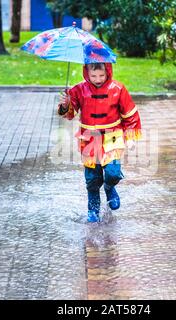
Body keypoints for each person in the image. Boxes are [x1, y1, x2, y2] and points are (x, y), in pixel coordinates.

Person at [58, 62, 142, 223]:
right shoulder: (78, 90)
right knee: (92, 178)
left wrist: (130, 136)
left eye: (101, 76)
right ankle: (93, 210)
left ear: (108, 72)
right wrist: (65, 105)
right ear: (86, 73)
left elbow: (129, 113)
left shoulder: (117, 89)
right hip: (89, 137)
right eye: (93, 76)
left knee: (113, 172)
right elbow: (70, 114)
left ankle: (110, 187)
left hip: (112, 135)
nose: (98, 79)